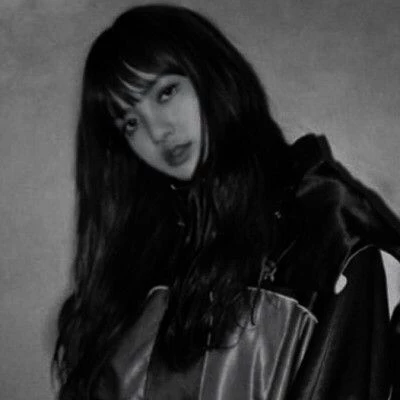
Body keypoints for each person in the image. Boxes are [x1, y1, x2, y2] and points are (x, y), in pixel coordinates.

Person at [52, 4, 400, 399]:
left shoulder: (330, 232)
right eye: (130, 122)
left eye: (165, 93)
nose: (157, 131)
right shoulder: (138, 258)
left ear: (210, 74)